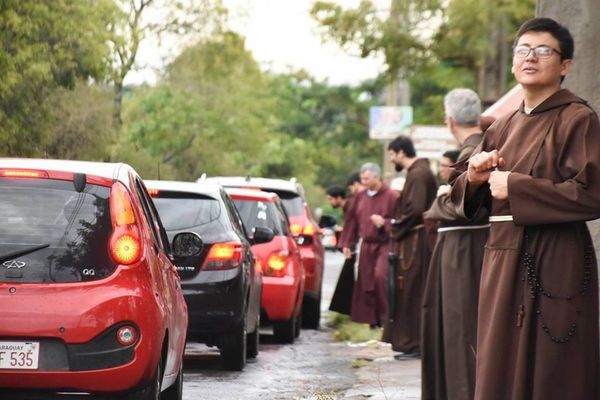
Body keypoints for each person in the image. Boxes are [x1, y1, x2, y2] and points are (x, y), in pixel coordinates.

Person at [450, 18, 600, 400]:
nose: (530, 57)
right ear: (514, 62)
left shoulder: (577, 118)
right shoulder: (501, 126)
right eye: (523, 50)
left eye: (543, 50)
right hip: (501, 258)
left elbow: (592, 193)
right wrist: (476, 178)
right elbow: (459, 196)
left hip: (555, 256)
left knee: (551, 367)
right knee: (499, 362)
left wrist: (516, 186)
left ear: (565, 65)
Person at [421, 88, 490, 400]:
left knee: (461, 334)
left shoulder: (473, 151)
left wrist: (440, 200)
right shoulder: (488, 143)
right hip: (470, 247)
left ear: (449, 121)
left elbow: (462, 204)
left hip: (464, 250)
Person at [381, 136, 437, 355]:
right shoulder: (417, 172)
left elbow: (415, 210)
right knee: (410, 291)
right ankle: (411, 343)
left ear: (401, 152)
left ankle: (415, 344)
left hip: (417, 242)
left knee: (413, 291)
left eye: (393, 154)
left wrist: (395, 228)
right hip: (414, 240)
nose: (392, 159)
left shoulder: (419, 173)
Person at [339, 163, 398, 327]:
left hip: (385, 244)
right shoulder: (360, 197)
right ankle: (370, 320)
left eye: (366, 178)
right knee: (366, 281)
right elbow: (351, 222)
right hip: (366, 245)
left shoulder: (392, 196)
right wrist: (347, 244)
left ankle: (385, 317)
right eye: (362, 178)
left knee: (380, 276)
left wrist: (385, 223)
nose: (363, 182)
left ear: (377, 177)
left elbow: (401, 221)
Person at [326, 183, 354, 315]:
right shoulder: (347, 208)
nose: (330, 202)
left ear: (338, 198)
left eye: (331, 199)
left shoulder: (350, 207)